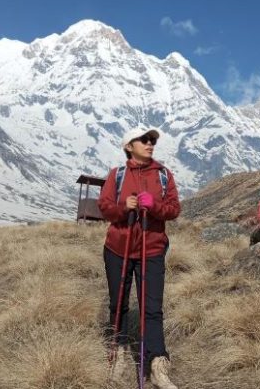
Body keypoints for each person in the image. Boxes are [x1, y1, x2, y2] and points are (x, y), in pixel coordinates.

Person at [98, 128, 180, 389]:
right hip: (118, 249)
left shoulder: (164, 175)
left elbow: (174, 209)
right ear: (129, 146)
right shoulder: (117, 175)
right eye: (144, 140)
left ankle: (157, 364)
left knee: (152, 308)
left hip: (152, 249)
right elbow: (105, 207)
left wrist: (153, 206)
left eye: (152, 140)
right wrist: (126, 208)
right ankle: (120, 353)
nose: (150, 144)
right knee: (118, 304)